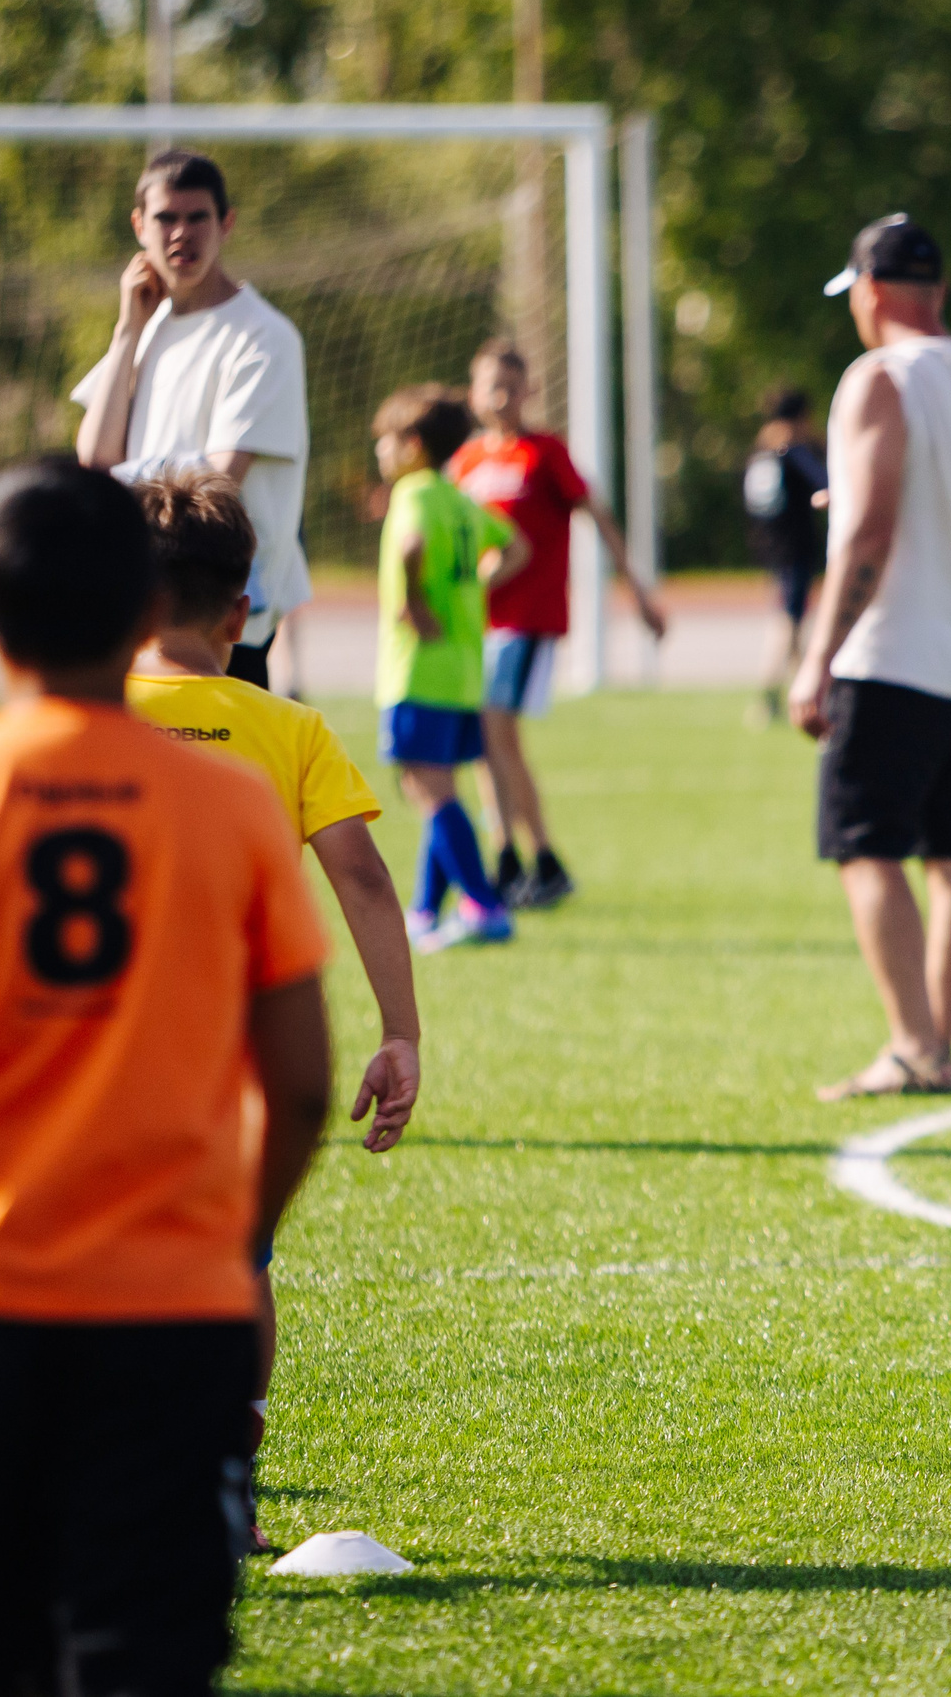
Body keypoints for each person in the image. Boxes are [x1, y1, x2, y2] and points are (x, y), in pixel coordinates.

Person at [0, 457, 332, 1695]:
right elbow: (302, 1081)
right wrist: (237, 1238)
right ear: (143, 616)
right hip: (169, 1296)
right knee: (143, 1662)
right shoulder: (229, 808)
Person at [124, 469, 421, 1550]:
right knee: (235, 1270)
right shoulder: (286, 726)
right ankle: (225, 1481)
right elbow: (366, 879)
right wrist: (401, 1034)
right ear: (242, 612)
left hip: (78, 1050)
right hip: (230, 1063)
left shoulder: (70, 717)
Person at [787, 215, 951, 1101]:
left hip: (891, 655)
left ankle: (911, 1045)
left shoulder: (877, 375)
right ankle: (939, 1044)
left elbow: (874, 524)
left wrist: (818, 657)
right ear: (941, 291)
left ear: (873, 291)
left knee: (867, 849)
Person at [71, 148, 309, 690]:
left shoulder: (263, 335)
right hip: (146, 608)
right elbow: (95, 459)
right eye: (166, 218)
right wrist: (126, 332)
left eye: (198, 217)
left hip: (221, 621)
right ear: (139, 226)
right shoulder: (146, 329)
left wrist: (114, 495)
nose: (182, 233)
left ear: (226, 224)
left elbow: (214, 485)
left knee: (233, 774)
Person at [447, 339, 667, 908]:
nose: (500, 397)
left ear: (529, 392)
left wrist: (637, 591)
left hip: (527, 618)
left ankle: (539, 856)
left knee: (497, 731)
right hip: (477, 620)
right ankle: (511, 857)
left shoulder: (544, 452)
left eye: (510, 386)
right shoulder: (467, 461)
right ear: (472, 394)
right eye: (489, 385)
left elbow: (597, 515)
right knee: (482, 741)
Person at [374, 385, 518, 952]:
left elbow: (410, 546)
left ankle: (483, 905)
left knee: (428, 790)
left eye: (384, 443)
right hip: (461, 665)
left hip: (418, 667)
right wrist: (471, 590)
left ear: (411, 446)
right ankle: (426, 910)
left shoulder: (415, 493)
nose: (380, 454)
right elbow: (515, 546)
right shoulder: (460, 499)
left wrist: (412, 599)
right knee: (437, 789)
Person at [744, 385, 830, 728]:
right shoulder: (793, 451)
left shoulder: (760, 451)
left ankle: (808, 693)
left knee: (794, 622)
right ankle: (767, 696)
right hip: (795, 547)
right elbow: (824, 482)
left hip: (769, 546)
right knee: (788, 620)